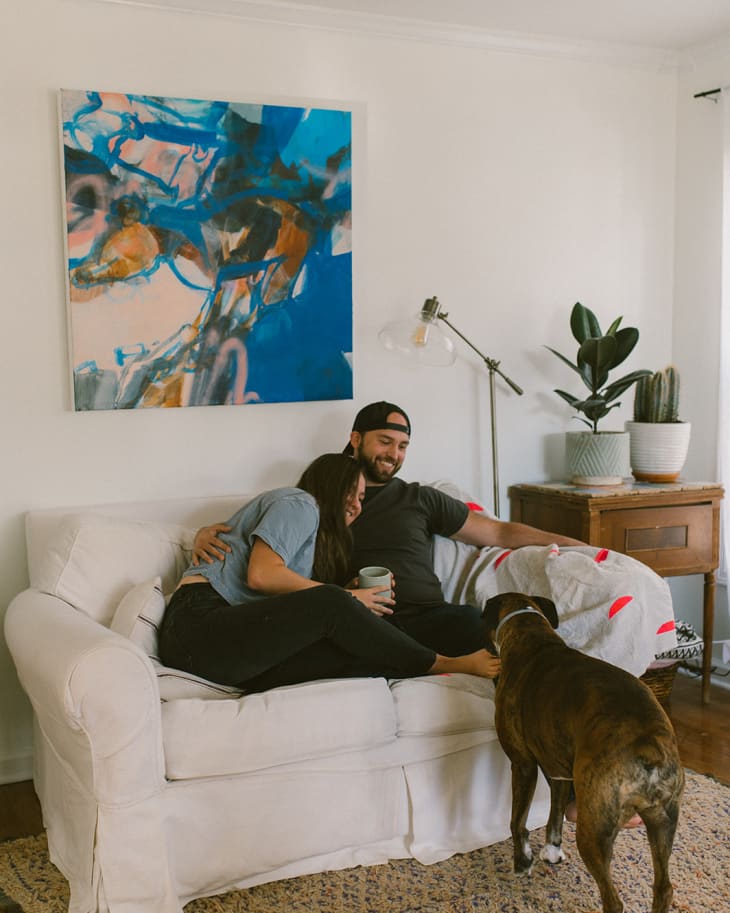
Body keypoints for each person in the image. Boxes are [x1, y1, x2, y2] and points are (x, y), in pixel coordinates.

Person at [194, 402, 584, 657]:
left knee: (493, 628)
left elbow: (498, 533)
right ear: (356, 439)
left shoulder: (420, 498)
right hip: (355, 619)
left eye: (402, 446)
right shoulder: (320, 495)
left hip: (431, 616)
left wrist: (573, 545)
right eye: (385, 441)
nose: (393, 455)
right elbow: (267, 534)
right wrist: (205, 534)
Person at [159, 452, 500, 693]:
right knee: (333, 604)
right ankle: (440, 663)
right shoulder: (299, 502)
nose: (357, 505)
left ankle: (421, 665)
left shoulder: (308, 546)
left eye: (363, 498)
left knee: (348, 650)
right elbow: (261, 575)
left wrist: (343, 599)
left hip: (229, 654)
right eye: (353, 493)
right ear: (332, 485)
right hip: (199, 627)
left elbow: (285, 596)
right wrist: (343, 598)